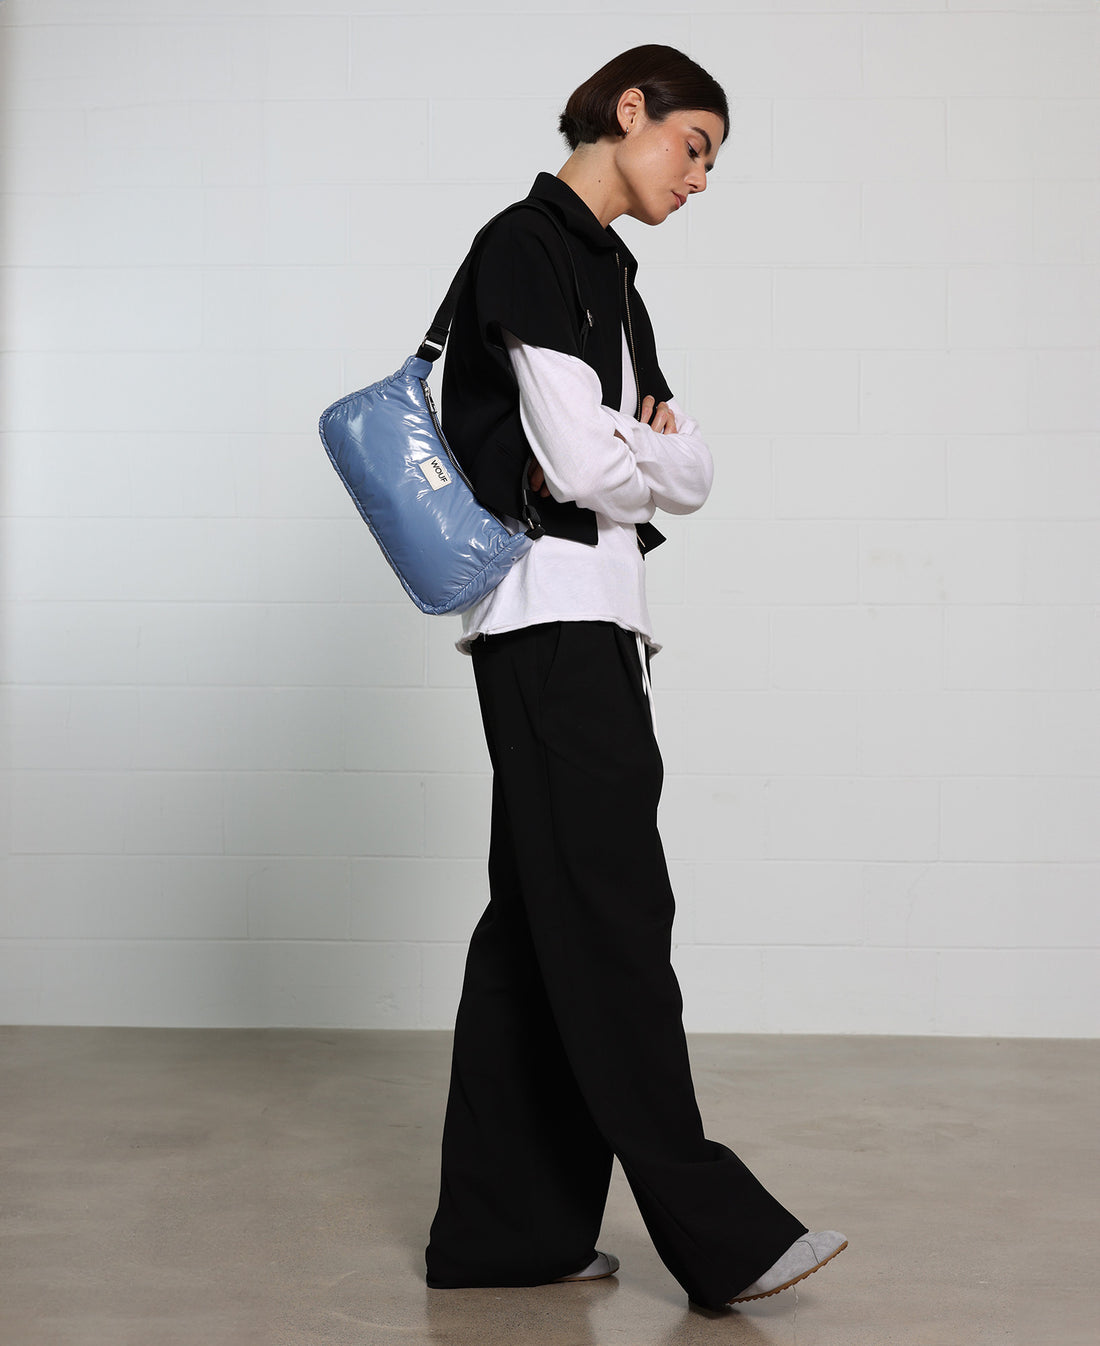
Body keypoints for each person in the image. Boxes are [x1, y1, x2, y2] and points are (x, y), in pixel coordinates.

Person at [423, 45, 847, 1312]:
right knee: (612, 916)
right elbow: (592, 461)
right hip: (545, 623)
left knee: (534, 927)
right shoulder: (527, 245)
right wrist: (625, 453)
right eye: (694, 145)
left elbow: (688, 466)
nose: (700, 177)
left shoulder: (612, 277)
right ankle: (715, 1231)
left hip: (601, 622)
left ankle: (506, 1231)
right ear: (630, 112)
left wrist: (630, 456)